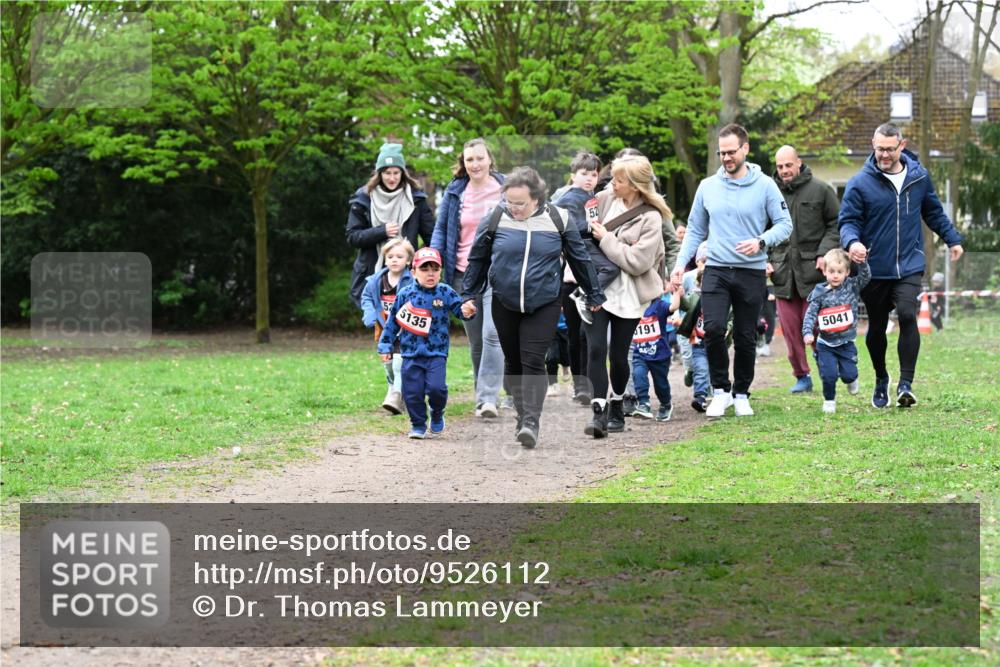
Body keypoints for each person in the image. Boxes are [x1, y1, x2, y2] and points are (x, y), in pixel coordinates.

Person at [462, 166, 605, 449]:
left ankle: (531, 421)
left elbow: (580, 259)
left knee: (533, 359)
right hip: (504, 300)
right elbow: (478, 259)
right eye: (510, 201)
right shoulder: (495, 217)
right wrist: (468, 294)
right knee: (513, 363)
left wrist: (594, 294)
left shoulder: (558, 218)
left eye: (520, 203)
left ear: (537, 198)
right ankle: (521, 413)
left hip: (545, 301)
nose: (513, 208)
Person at [670, 123, 792, 418]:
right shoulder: (708, 186)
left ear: (745, 149)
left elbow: (785, 225)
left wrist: (761, 241)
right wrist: (677, 266)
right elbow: (696, 230)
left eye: (731, 152)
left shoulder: (765, 185)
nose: (726, 158)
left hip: (750, 271)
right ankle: (721, 391)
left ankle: (741, 394)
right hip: (716, 269)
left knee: (745, 335)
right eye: (721, 153)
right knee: (712, 329)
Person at [839, 123, 964, 408]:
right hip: (874, 268)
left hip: (909, 264)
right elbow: (847, 222)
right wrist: (852, 243)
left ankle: (905, 384)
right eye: (879, 148)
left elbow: (933, 212)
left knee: (908, 313)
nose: (883, 154)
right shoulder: (860, 182)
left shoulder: (918, 177)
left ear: (902, 146)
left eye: (889, 149)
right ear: (873, 143)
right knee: (877, 327)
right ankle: (882, 378)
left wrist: (952, 239)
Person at [584, 155, 668, 438]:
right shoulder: (605, 200)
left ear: (635, 185)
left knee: (618, 356)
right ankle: (598, 413)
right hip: (598, 288)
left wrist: (607, 239)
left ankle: (617, 403)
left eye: (619, 181)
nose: (613, 184)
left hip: (630, 293)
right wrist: (618, 246)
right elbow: (587, 231)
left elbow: (637, 262)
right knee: (595, 349)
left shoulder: (651, 218)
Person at [431, 138, 506, 419]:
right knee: (476, 339)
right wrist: (434, 261)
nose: (474, 164)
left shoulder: (506, 188)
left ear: (489, 160)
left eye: (479, 158)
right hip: (464, 275)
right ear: (463, 163)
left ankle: (488, 398)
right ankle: (482, 394)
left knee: (493, 334)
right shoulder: (455, 193)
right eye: (469, 159)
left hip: (498, 272)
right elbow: (441, 230)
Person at [769, 144, 841, 393]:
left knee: (818, 327)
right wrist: (766, 259)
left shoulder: (821, 190)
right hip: (782, 274)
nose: (784, 170)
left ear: (798, 163)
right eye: (780, 166)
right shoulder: (769, 192)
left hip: (814, 273)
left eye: (788, 165)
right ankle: (802, 376)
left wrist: (824, 253)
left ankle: (826, 370)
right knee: (791, 332)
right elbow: (761, 229)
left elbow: (836, 223)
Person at [378, 247, 468, 439]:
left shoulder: (445, 292)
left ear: (440, 271)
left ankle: (437, 412)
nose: (430, 274)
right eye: (424, 269)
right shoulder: (404, 294)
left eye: (435, 269)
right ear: (413, 272)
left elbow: (460, 311)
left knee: (437, 389)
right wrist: (385, 346)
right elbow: (392, 322)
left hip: (437, 353)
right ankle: (418, 424)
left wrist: (468, 310)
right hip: (409, 353)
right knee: (412, 393)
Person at [347, 143, 434, 309]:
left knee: (408, 330)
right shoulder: (363, 199)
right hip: (374, 276)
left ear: (403, 173)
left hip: (408, 277)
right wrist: (382, 231)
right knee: (381, 331)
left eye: (396, 172)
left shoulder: (416, 200)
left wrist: (429, 267)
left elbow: (431, 236)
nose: (392, 178)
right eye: (387, 173)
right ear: (379, 174)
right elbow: (352, 236)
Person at [552, 151, 603, 403]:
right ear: (573, 175)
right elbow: (567, 230)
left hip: (595, 274)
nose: (589, 179)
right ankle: (579, 383)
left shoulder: (597, 199)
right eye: (584, 174)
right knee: (575, 333)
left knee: (588, 333)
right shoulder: (566, 199)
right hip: (571, 277)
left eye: (594, 174)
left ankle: (589, 382)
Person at [802, 249, 871, 414]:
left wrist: (862, 262)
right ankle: (829, 400)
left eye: (840, 272)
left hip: (846, 342)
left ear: (847, 272)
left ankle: (851, 379)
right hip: (825, 343)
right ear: (824, 271)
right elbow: (810, 315)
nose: (835, 275)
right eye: (831, 271)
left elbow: (865, 277)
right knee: (829, 375)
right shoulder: (819, 294)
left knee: (849, 374)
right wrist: (807, 333)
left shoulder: (852, 287)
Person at [360, 238, 415, 415]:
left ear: (408, 260)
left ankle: (396, 396)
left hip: (406, 331)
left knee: (400, 363)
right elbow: (367, 297)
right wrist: (369, 315)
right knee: (389, 364)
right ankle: (393, 388)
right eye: (390, 256)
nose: (394, 259)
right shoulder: (375, 280)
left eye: (399, 256)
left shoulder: (412, 281)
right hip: (385, 331)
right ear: (384, 259)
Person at [630, 293, 674, 421]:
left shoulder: (658, 305)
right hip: (640, 352)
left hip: (660, 355)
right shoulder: (632, 307)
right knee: (638, 375)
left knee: (660, 384)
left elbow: (673, 307)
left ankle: (666, 404)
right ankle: (643, 403)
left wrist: (677, 293)